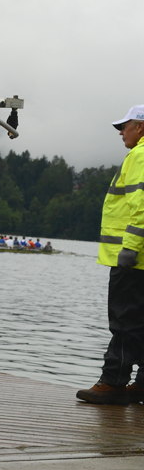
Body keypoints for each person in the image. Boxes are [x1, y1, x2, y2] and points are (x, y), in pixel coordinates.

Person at [76, 104, 144, 405]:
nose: (120, 133)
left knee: (125, 321)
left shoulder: (140, 155)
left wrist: (130, 246)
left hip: (133, 257)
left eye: (124, 126)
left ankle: (114, 381)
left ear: (140, 127)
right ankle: (142, 385)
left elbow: (141, 205)